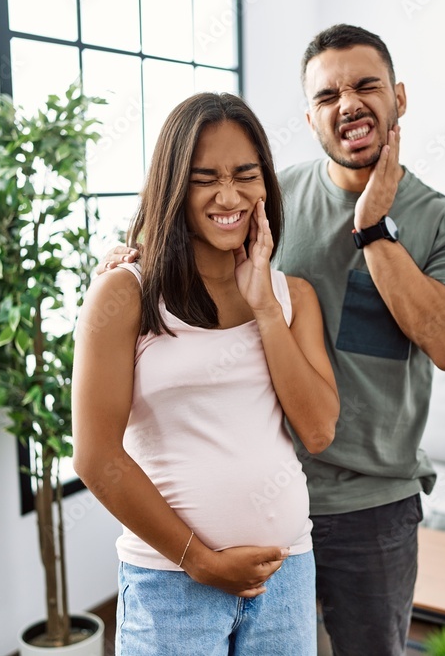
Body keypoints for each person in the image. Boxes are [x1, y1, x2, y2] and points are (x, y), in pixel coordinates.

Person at [101, 24, 445, 655]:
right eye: (328, 95)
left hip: (370, 501)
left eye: (366, 86)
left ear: (400, 97)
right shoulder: (268, 198)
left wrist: (373, 231)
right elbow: (187, 239)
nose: (350, 104)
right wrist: (120, 263)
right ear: (310, 116)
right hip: (269, 496)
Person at [73, 92, 339, 656]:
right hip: (172, 583)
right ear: (174, 185)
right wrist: (202, 562)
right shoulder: (125, 294)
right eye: (204, 178)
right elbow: (97, 458)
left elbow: (317, 431)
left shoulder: (294, 299)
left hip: (286, 574)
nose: (229, 195)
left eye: (246, 174)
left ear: (266, 181)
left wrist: (265, 306)